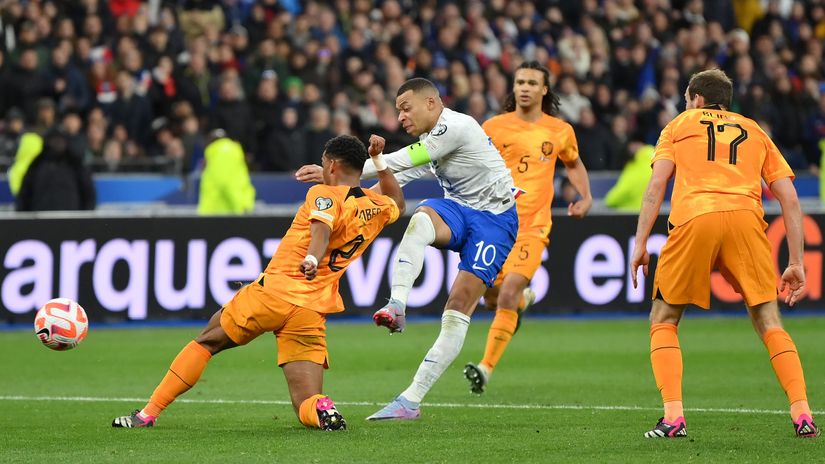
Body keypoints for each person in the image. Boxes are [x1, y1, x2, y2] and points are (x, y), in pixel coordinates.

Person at [112, 134, 405, 430]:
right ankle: (321, 408)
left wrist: (313, 259)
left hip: (274, 293)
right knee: (306, 399)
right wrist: (379, 160)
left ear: (331, 165)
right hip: (310, 310)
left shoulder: (323, 194)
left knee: (207, 342)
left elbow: (321, 230)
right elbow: (398, 202)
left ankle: (147, 414)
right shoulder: (375, 206)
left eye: (322, 163)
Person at [298, 78, 518, 421]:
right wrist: (346, 190)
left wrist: (337, 169)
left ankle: (411, 400)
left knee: (458, 306)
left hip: (496, 222)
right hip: (459, 209)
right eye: (398, 109)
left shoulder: (456, 126)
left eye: (405, 107)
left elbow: (400, 159)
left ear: (431, 103)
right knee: (421, 219)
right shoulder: (432, 141)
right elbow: (394, 178)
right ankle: (397, 303)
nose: (400, 116)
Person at [630, 69, 819, 438]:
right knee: (769, 320)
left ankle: (673, 418)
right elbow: (790, 198)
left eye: (687, 99)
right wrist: (795, 261)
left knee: (664, 318)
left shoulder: (679, 125)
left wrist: (640, 242)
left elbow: (656, 185)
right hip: (746, 221)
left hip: (695, 218)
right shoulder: (754, 130)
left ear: (697, 99)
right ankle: (803, 413)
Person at [463, 61, 592, 394]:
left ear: (544, 90)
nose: (524, 88)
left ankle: (485, 367)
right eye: (520, 82)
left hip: (533, 226)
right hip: (493, 224)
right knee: (490, 296)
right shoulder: (493, 126)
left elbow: (574, 163)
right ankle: (522, 303)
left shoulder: (559, 130)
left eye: (532, 83)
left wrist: (586, 196)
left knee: (507, 293)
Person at [197, 129, 256, 215]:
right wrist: (243, 207)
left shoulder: (213, 153)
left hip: (214, 216)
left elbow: (223, 182)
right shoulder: (236, 150)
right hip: (238, 212)